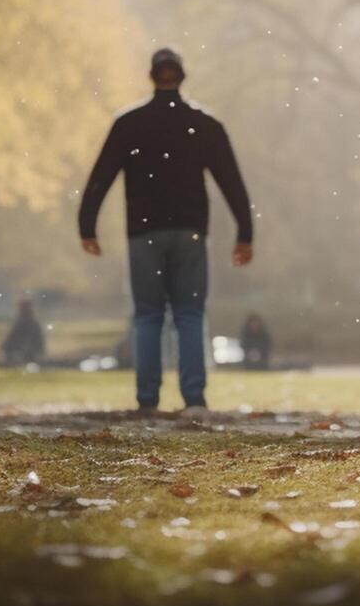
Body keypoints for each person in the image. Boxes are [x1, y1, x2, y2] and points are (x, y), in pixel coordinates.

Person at [79, 48, 254, 416]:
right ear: (182, 76)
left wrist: (87, 224)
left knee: (147, 315)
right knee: (190, 314)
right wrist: (245, 232)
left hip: (143, 232)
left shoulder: (129, 124)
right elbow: (231, 181)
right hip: (190, 231)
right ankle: (194, 399)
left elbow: (101, 176)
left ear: (152, 75)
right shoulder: (205, 124)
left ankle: (148, 400)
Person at [0, 299, 47, 367]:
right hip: (25, 354)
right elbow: (9, 340)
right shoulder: (25, 323)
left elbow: (10, 340)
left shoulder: (28, 324)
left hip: (27, 355)